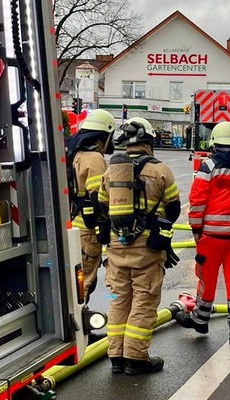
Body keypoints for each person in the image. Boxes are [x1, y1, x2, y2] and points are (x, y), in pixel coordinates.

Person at [97, 117, 181, 375]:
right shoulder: (160, 171)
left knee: (119, 300)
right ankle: (135, 358)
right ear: (149, 141)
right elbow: (174, 210)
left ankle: (116, 357)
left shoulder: (111, 171)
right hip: (147, 249)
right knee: (143, 301)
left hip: (115, 248)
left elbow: (102, 206)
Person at [174, 121, 230, 352]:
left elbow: (197, 202)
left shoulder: (209, 166)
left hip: (211, 236)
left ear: (215, 143)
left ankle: (200, 320)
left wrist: (196, 230)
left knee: (206, 277)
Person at [65, 109, 115, 303]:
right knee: (83, 284)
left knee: (74, 282)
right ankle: (78, 330)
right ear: (105, 135)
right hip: (87, 230)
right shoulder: (94, 159)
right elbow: (99, 199)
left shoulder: (73, 153)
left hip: (71, 223)